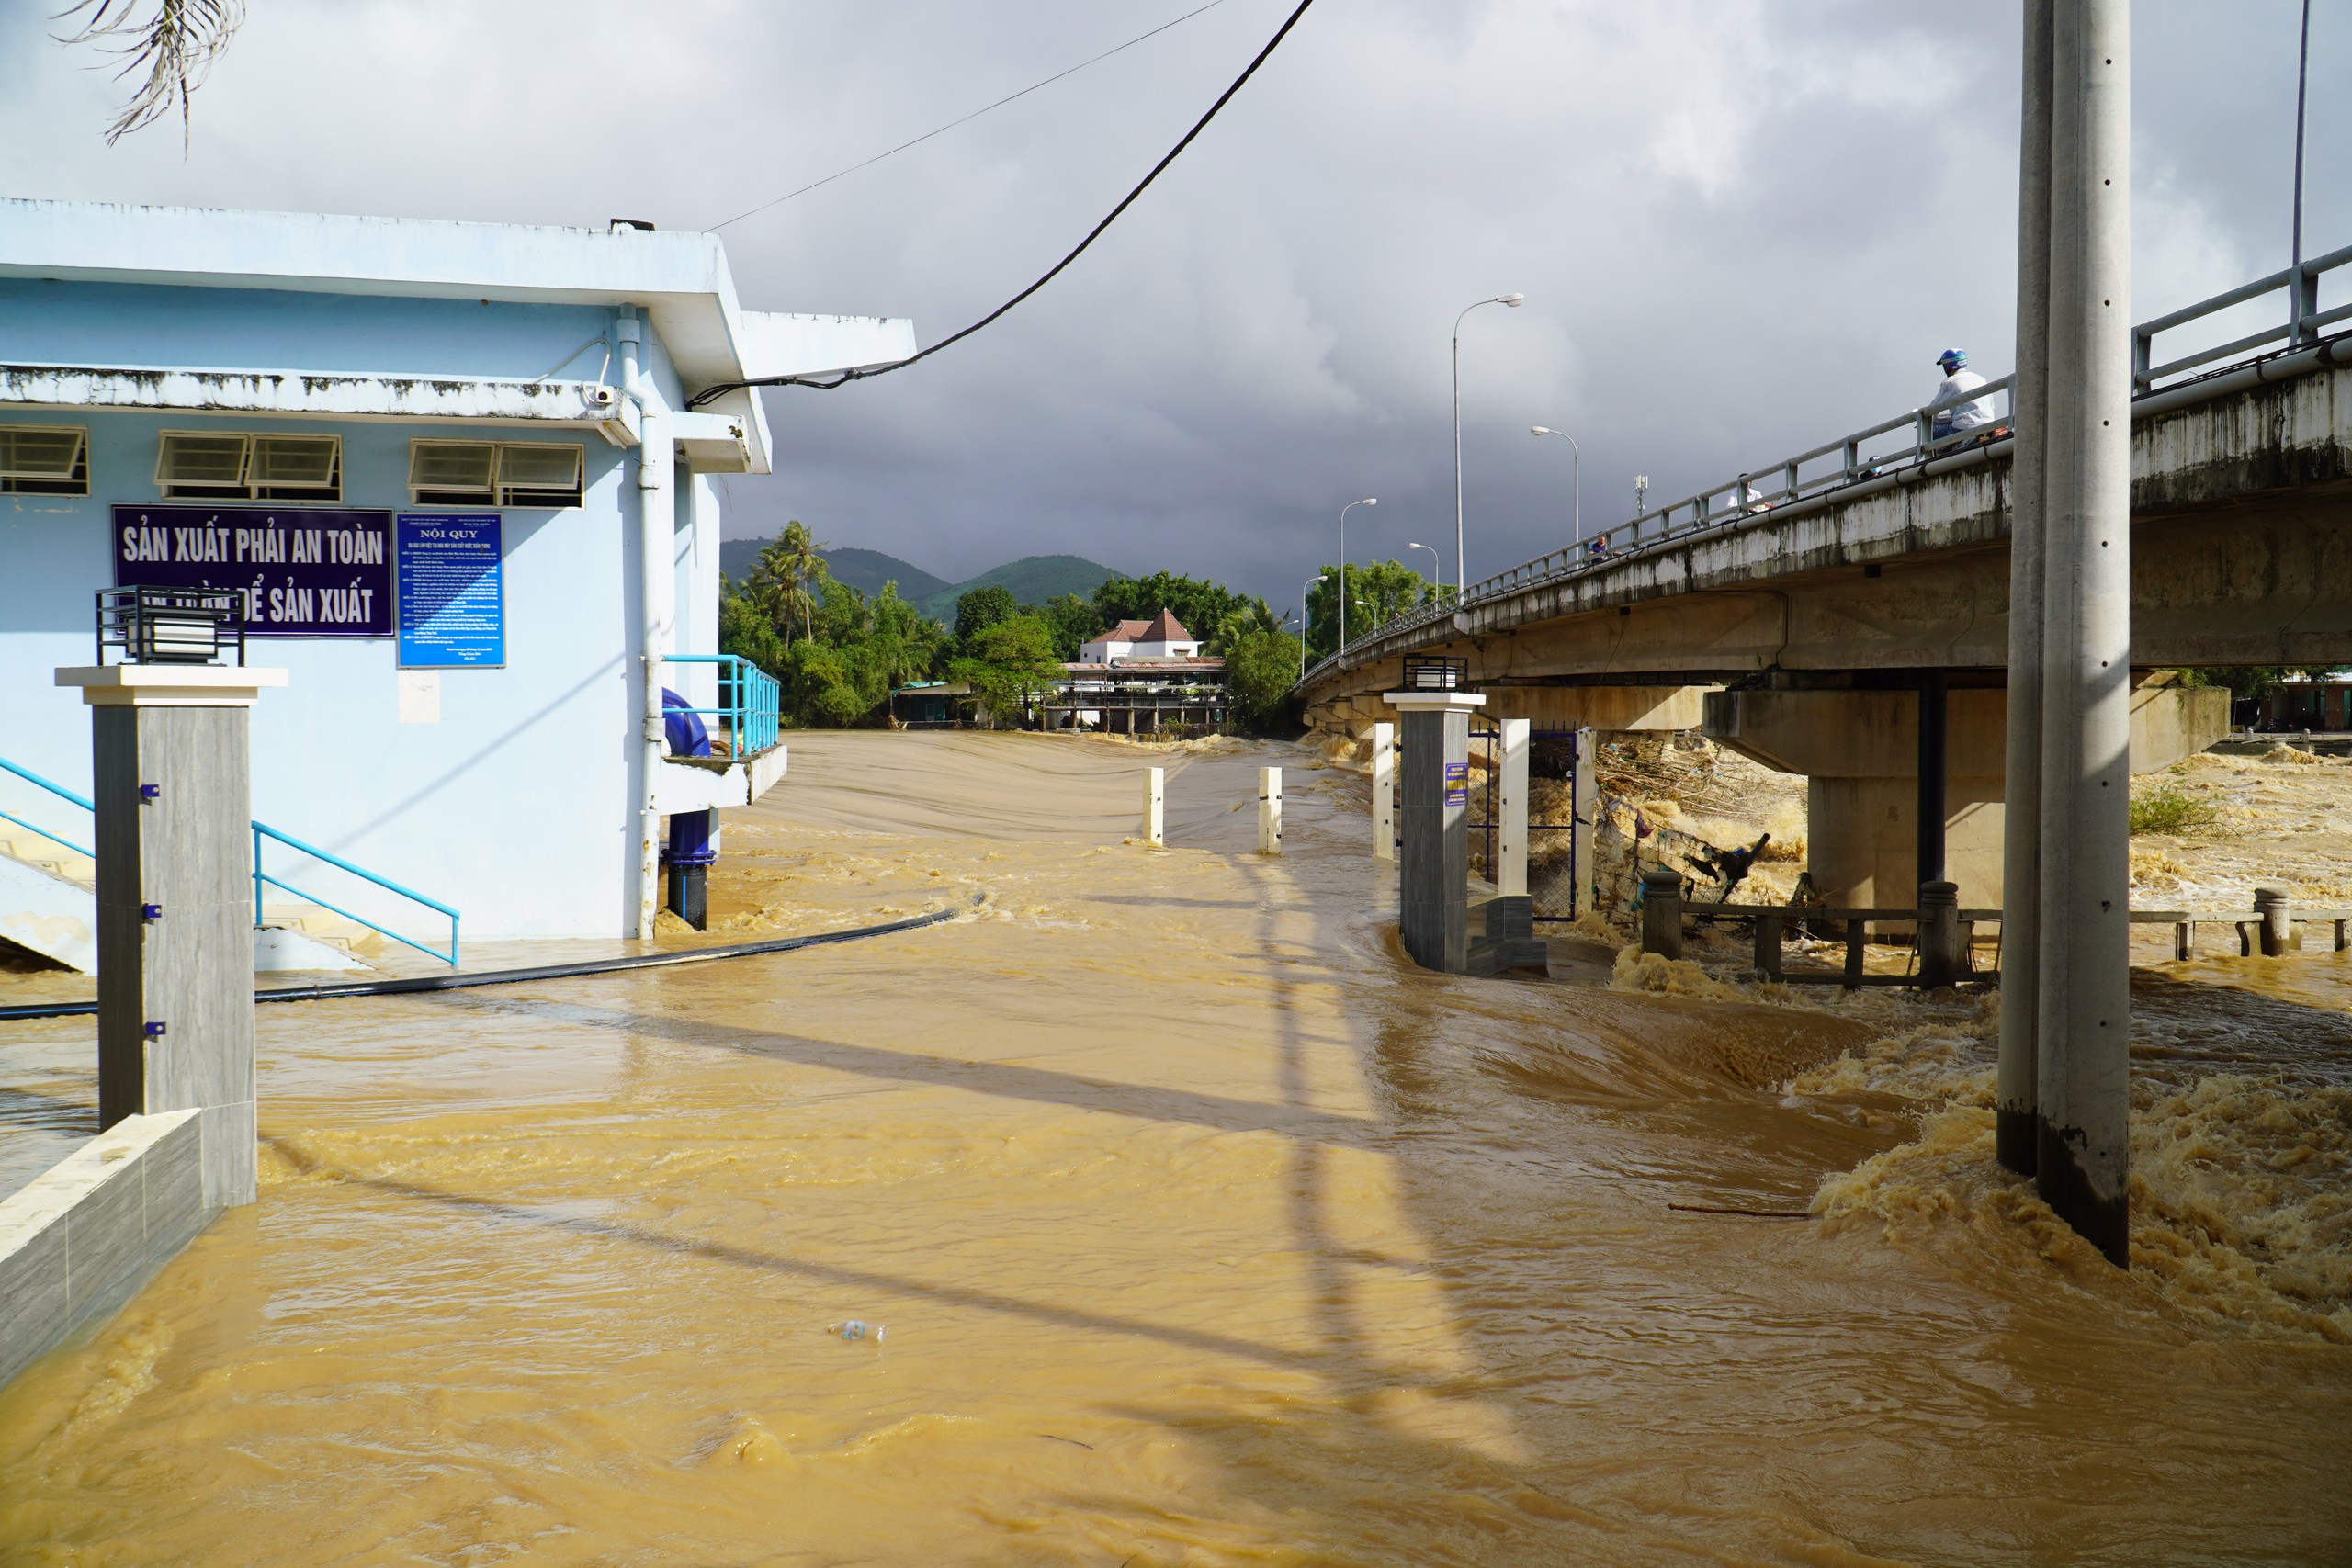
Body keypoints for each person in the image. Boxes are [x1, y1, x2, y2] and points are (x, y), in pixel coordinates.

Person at [1929, 348, 1995, 443]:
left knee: (1931, 431)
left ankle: (1941, 455)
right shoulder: (1981, 379)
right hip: (1989, 424)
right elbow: (1991, 406)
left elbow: (1933, 409)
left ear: (1947, 366)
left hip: (1966, 427)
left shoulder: (1950, 382)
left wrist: (1925, 417)